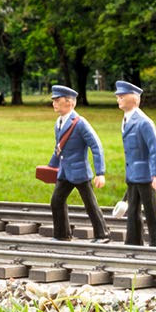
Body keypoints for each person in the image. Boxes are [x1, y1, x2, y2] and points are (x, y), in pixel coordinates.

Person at [45, 84, 109, 241]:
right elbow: (58, 148)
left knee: (90, 205)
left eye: (57, 100)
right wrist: (51, 166)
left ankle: (102, 235)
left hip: (80, 172)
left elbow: (96, 146)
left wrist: (100, 173)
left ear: (70, 102)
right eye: (54, 100)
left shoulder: (80, 123)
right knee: (56, 201)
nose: (54, 103)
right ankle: (62, 235)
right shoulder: (58, 123)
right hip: (64, 172)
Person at [115, 80, 156, 247]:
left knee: (150, 209)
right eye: (118, 96)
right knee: (133, 208)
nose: (118, 99)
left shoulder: (144, 122)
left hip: (145, 174)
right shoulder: (126, 120)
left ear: (135, 99)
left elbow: (155, 148)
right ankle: (133, 240)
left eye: (122, 96)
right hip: (132, 173)